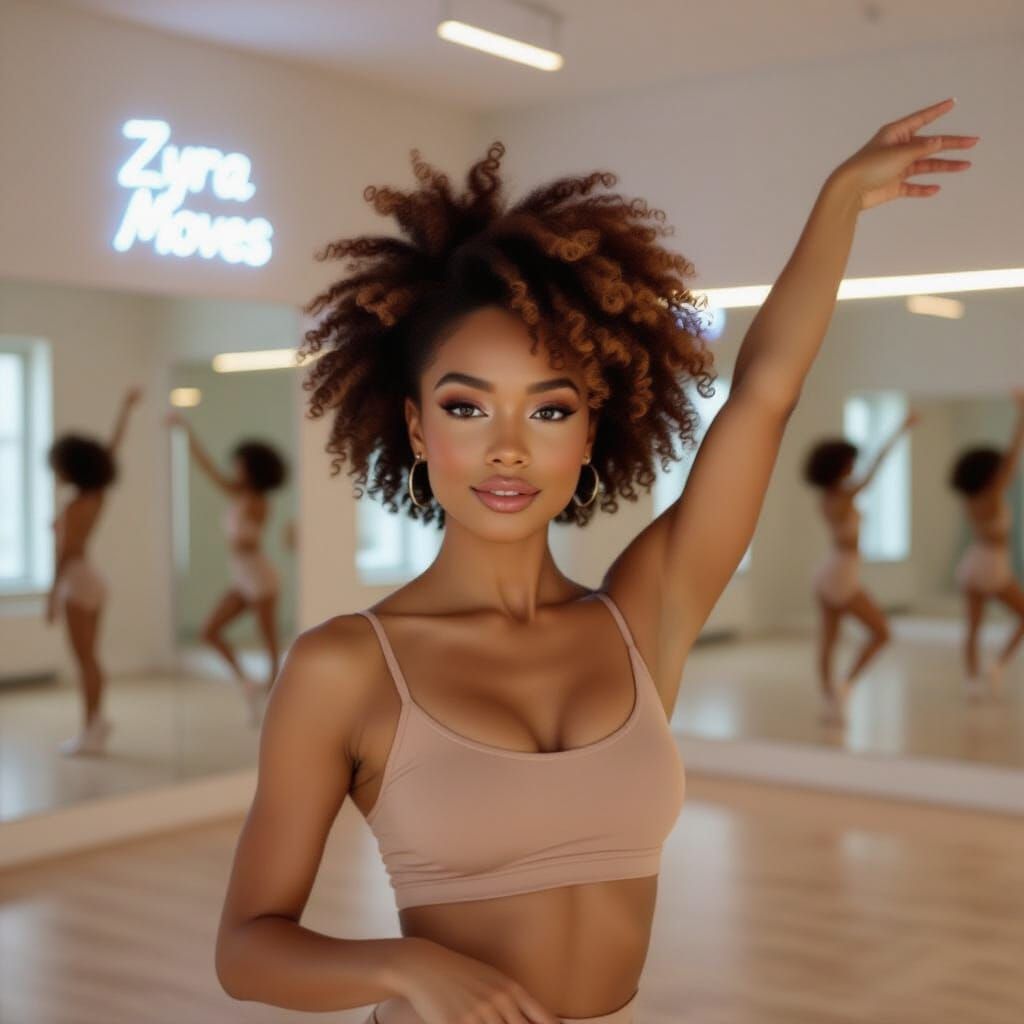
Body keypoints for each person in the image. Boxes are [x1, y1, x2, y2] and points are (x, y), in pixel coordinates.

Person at [215, 100, 976, 1023]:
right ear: (415, 426)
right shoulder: (343, 667)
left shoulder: (642, 616)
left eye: (547, 410)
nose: (507, 449)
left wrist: (839, 202)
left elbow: (764, 395)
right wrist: (405, 968)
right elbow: (247, 947)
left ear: (589, 433)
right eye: (465, 409)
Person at [166, 413, 288, 724]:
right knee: (210, 631)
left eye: (240, 464)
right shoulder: (239, 494)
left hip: (258, 575)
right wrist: (186, 432)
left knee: (267, 636)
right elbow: (208, 468)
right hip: (243, 576)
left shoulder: (258, 501)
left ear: (252, 469)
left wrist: (239, 542)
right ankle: (247, 682)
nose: (235, 468)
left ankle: (276, 693)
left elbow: (250, 540)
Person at [804, 409, 918, 724]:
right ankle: (844, 687)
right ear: (839, 466)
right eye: (850, 461)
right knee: (881, 632)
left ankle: (832, 698)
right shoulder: (841, 495)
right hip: (841, 573)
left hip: (833, 570)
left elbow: (869, 472)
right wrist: (900, 430)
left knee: (829, 638)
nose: (854, 465)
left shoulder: (831, 497)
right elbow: (875, 467)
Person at [47, 386, 141, 756]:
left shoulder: (75, 506)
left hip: (77, 581)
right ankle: (96, 722)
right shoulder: (95, 496)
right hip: (91, 579)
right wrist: (126, 408)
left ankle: (91, 727)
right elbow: (111, 449)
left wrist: (51, 595)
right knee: (91, 657)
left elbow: (66, 554)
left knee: (84, 658)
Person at [950, 388, 1024, 700]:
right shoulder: (992, 495)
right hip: (992, 563)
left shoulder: (970, 499)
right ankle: (997, 664)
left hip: (972, 563)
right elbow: (1012, 454)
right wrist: (1021, 413)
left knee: (973, 627)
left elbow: (1008, 460)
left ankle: (971, 680)